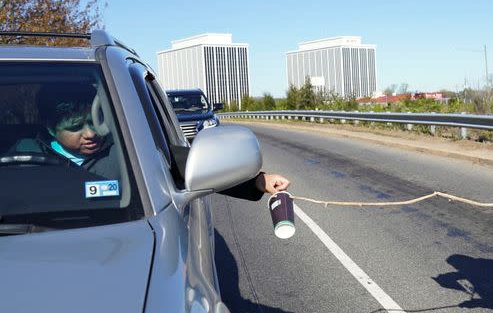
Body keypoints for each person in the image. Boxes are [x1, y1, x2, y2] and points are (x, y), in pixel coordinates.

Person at [11, 82, 290, 199]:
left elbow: (187, 165)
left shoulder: (129, 149)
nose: (91, 133)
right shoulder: (21, 160)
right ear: (49, 127)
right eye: (75, 127)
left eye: (95, 121)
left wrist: (257, 181)